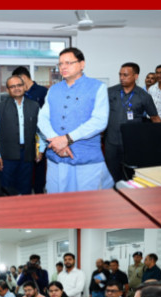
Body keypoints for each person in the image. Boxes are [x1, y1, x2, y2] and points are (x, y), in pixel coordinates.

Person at [38, 47, 113, 193]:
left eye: (68, 63)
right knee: (56, 201)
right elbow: (42, 118)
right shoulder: (53, 89)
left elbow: (99, 121)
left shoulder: (98, 87)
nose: (63, 67)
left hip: (86, 159)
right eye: (60, 64)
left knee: (87, 203)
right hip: (56, 158)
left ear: (82, 64)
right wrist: (56, 141)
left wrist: (67, 139)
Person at [104, 62, 160, 181]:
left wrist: (160, 141)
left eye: (125, 75)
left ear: (136, 76)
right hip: (111, 142)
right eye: (120, 75)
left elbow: (155, 118)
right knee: (111, 174)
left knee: (130, 175)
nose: (121, 78)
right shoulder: (109, 92)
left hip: (132, 144)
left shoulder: (144, 96)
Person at [0, 75, 41, 195]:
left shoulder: (34, 106)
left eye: (19, 85)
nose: (16, 88)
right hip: (7, 156)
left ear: (24, 87)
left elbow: (39, 132)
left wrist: (39, 151)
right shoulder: (0, 107)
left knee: (25, 188)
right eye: (12, 86)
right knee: (7, 188)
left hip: (27, 155)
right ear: (8, 90)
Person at [11, 66, 49, 194]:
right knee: (24, 171)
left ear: (23, 77)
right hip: (22, 139)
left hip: (38, 138)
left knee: (39, 168)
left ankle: (39, 194)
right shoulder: (19, 94)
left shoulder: (43, 92)